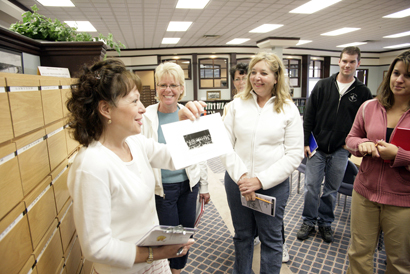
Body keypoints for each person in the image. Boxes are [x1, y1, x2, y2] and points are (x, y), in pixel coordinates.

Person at [66, 59, 205, 274]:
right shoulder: (92, 166)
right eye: (134, 101)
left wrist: (195, 126)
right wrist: (156, 253)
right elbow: (97, 248)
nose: (142, 109)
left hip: (154, 264)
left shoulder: (133, 142)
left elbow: (174, 156)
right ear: (105, 109)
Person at [221, 52, 304, 274]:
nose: (257, 78)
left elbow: (294, 154)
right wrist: (242, 178)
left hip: (272, 186)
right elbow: (224, 145)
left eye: (264, 73)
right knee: (243, 236)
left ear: (276, 77)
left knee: (271, 239)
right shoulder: (236, 105)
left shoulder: (288, 109)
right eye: (253, 73)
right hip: (238, 182)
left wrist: (259, 181)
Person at [297, 46, 373, 243]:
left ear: (358, 63)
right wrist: (306, 142)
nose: (347, 65)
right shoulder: (322, 85)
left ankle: (325, 223)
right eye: (344, 61)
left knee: (332, 189)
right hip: (317, 148)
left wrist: (354, 143)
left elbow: (367, 122)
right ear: (339, 62)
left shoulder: (363, 92)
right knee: (312, 186)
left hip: (341, 150)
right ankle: (308, 220)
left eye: (352, 61)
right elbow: (309, 116)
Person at [141, 62, 210, 274]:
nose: (168, 90)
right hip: (162, 190)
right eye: (163, 84)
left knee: (186, 234)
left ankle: (177, 271)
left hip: (189, 186)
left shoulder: (191, 114)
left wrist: (204, 186)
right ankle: (165, 269)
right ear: (157, 89)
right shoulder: (145, 117)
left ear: (181, 89)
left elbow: (201, 153)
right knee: (167, 237)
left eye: (173, 85)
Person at [345, 50, 410, 274]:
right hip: (365, 192)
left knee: (399, 261)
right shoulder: (369, 107)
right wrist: (361, 145)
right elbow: (351, 139)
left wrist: (398, 155)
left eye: (407, 75)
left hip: (403, 199)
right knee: (359, 253)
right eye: (396, 73)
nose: (399, 80)